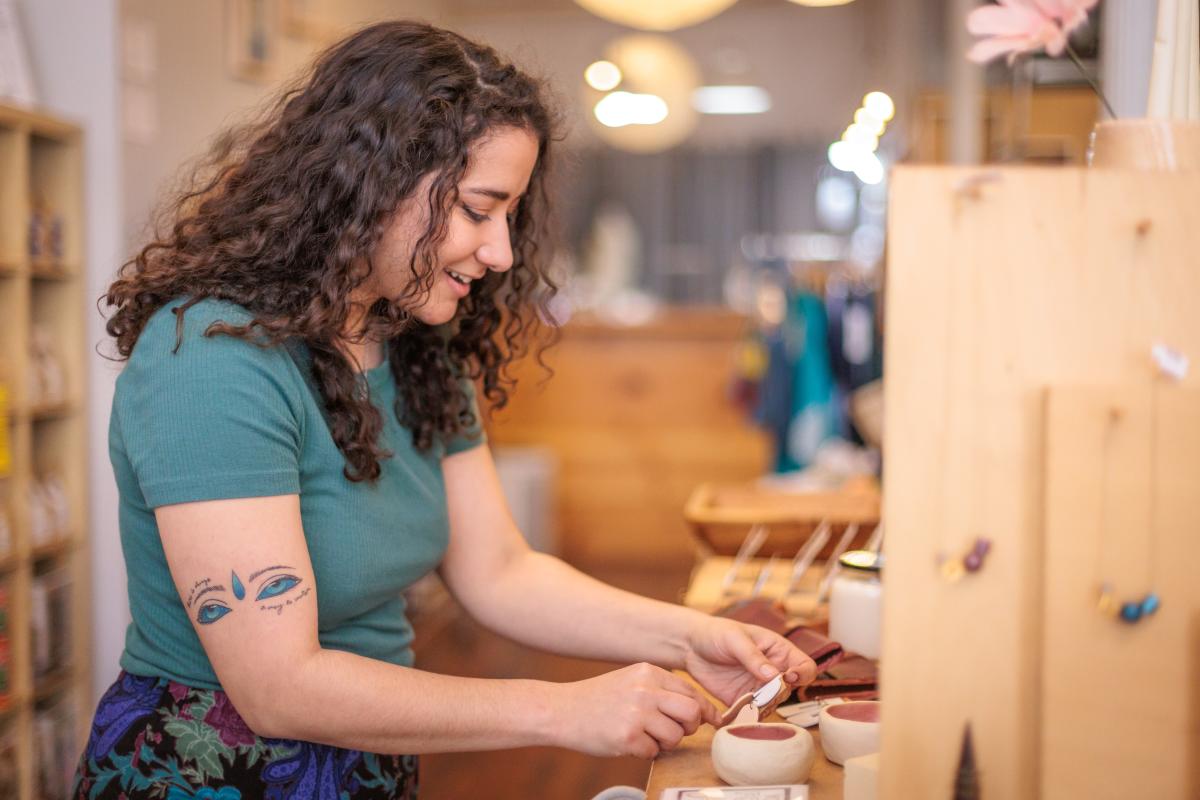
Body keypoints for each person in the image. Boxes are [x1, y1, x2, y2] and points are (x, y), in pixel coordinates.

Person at [73, 20, 817, 800]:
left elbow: (497, 569)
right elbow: (277, 687)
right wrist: (561, 710)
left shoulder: (412, 345)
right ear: (368, 182)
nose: (499, 252)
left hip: (367, 756)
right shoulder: (211, 360)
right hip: (206, 771)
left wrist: (690, 636)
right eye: (477, 209)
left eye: (510, 217)